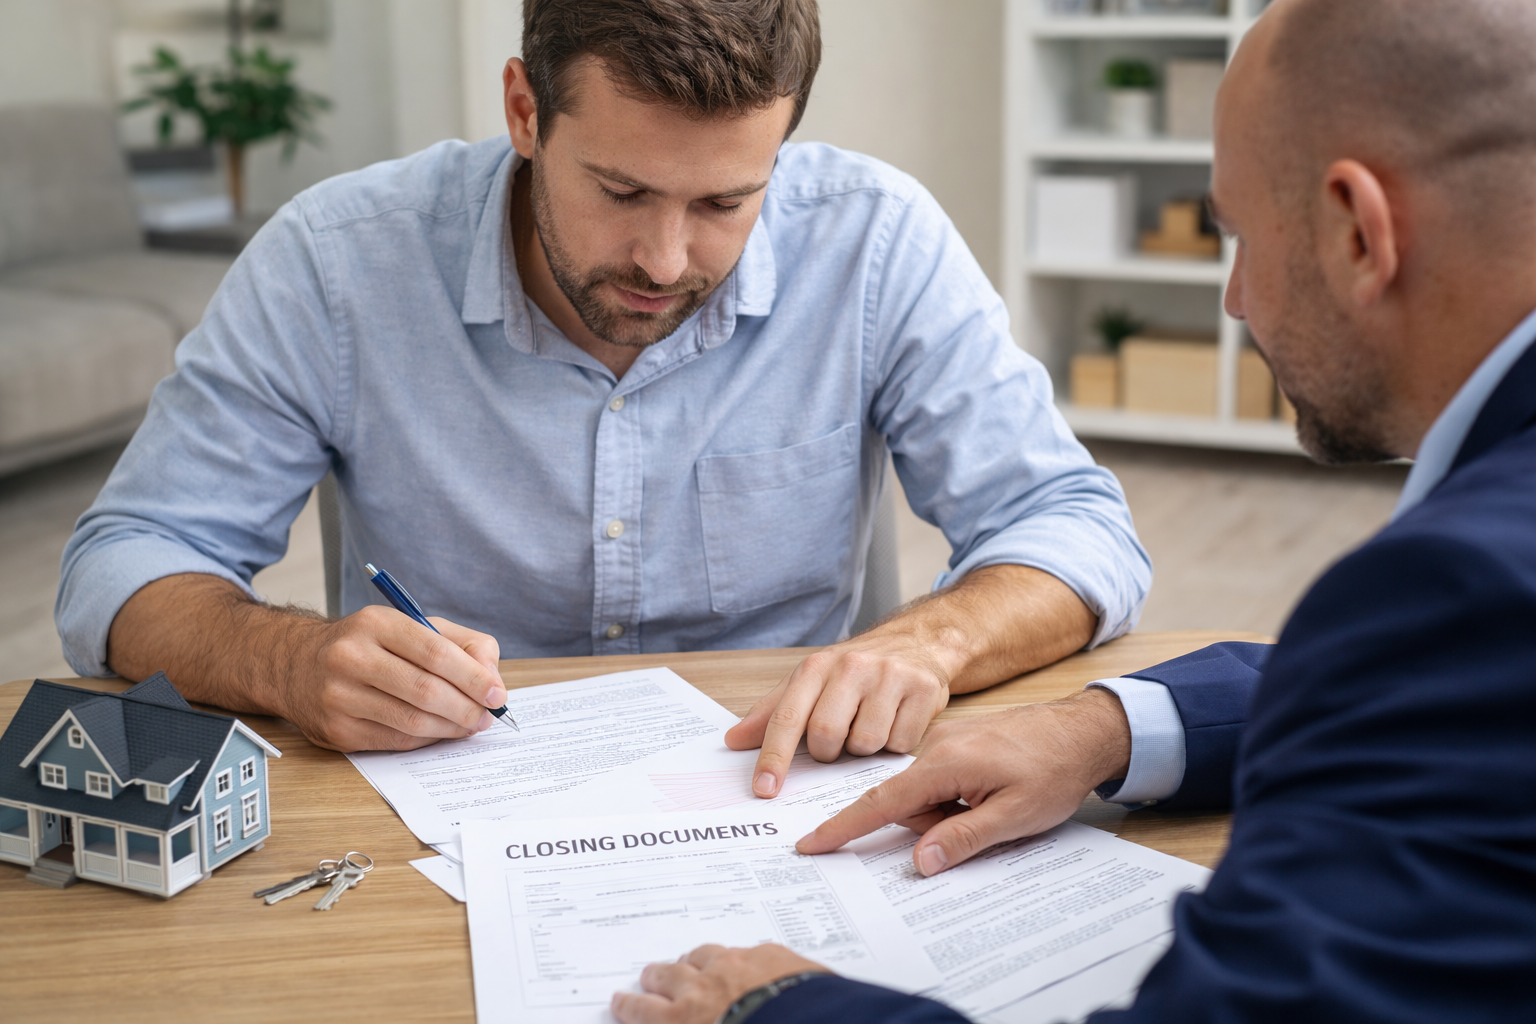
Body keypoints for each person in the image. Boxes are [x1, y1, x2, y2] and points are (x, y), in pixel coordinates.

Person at [613, 0, 1536, 1021]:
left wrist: (780, 1009)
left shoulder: (1460, 589)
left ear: (1359, 232)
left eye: (1237, 235)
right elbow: (1441, 695)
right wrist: (1107, 729)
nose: (1235, 300)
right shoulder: (1467, 609)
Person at [54, 0, 1150, 769]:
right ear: (524, 112)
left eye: (725, 203)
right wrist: (288, 659)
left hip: (782, 795)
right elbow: (127, 560)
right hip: (441, 817)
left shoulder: (875, 242)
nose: (665, 262)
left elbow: (1073, 525)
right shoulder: (337, 261)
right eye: (621, 191)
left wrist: (930, 641)